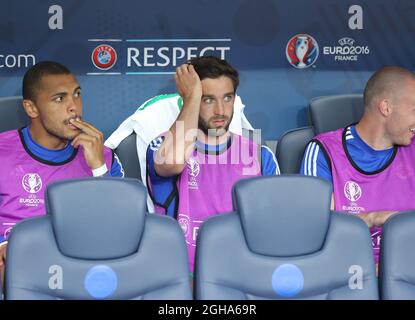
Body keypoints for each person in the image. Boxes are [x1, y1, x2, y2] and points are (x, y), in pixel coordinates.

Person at [146, 56, 280, 272]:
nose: (220, 110)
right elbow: (172, 163)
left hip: (243, 272)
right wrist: (192, 96)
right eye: (208, 99)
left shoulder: (258, 152)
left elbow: (271, 223)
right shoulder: (161, 145)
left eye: (227, 98)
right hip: (182, 276)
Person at [0, 61, 124, 280]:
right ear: (31, 108)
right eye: (60, 98)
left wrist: (99, 170)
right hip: (15, 273)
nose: (74, 107)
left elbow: (122, 232)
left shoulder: (103, 156)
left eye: (77, 94)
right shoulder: (3, 153)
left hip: (83, 273)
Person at [301, 66, 415, 266]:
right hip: (347, 274)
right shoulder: (323, 151)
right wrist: (372, 218)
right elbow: (315, 230)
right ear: (386, 107)